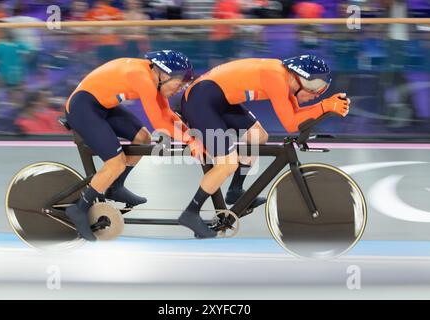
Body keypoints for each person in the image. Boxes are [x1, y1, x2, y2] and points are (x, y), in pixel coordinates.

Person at [179, 54, 350, 238]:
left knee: (258, 136)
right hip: (200, 100)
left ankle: (235, 191)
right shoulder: (275, 77)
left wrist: (326, 106)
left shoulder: (285, 78)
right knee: (227, 164)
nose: (316, 95)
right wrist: (325, 106)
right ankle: (190, 213)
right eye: (316, 88)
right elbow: (291, 123)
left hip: (219, 100)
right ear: (300, 78)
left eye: (322, 90)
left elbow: (298, 115)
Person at [65, 50, 195, 241]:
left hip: (103, 106)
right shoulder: (142, 78)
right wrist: (192, 141)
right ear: (165, 74)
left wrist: (192, 135)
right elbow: (160, 123)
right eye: (179, 84)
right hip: (82, 107)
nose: (179, 90)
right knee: (115, 163)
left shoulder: (155, 77)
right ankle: (79, 208)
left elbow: (168, 114)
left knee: (143, 138)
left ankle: (115, 187)